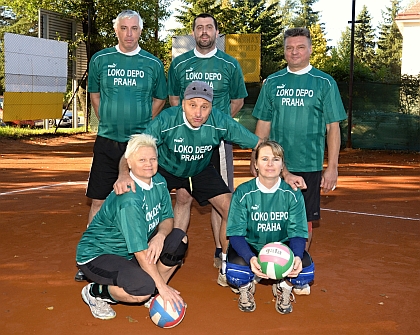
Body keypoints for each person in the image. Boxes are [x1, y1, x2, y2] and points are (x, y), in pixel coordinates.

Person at [114, 81, 262, 286]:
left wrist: (261, 157)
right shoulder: (167, 119)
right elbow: (133, 148)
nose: (198, 112)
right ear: (182, 104)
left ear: (212, 107)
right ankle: (128, 256)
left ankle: (227, 265)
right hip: (166, 167)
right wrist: (123, 174)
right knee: (139, 204)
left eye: (205, 106)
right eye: (193, 105)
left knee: (231, 207)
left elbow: (260, 144)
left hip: (199, 169)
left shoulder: (220, 120)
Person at [76, 9, 167, 281]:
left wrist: (140, 127)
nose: (129, 34)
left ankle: (138, 256)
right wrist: (109, 121)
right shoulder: (101, 59)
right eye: (124, 28)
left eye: (134, 29)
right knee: (99, 200)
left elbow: (160, 98)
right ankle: (92, 258)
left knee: (140, 203)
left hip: (138, 147)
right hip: (107, 141)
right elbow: (95, 94)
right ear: (116, 30)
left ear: (140, 30)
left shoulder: (152, 63)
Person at [252, 27, 347, 262]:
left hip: (309, 164)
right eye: (289, 48)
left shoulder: (325, 82)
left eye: (300, 47)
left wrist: (332, 166)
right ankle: (272, 264)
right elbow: (263, 125)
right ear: (284, 50)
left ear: (310, 50)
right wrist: (256, 158)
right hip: (272, 165)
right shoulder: (272, 82)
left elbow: (332, 128)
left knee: (302, 221)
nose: (294, 52)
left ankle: (297, 268)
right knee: (269, 217)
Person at [167, 13, 248, 272]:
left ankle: (222, 254)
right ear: (193, 33)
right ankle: (173, 251)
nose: (204, 32)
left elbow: (237, 101)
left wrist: (213, 128)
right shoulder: (179, 64)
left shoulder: (230, 64)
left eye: (209, 27)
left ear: (216, 33)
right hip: (186, 143)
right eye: (199, 27)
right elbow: (173, 101)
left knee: (221, 199)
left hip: (217, 144)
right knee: (182, 196)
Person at [76, 134, 187, 320]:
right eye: (142, 159)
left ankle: (152, 292)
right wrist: (163, 288)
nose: (149, 164)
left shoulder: (159, 181)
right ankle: (95, 292)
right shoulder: (129, 198)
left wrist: (160, 235)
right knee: (143, 289)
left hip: (129, 252)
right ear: (129, 162)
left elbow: (167, 217)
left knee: (178, 240)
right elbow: (140, 251)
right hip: (99, 254)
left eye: (153, 159)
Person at [225, 140, 314, 314]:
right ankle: (246, 287)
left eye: (276, 159)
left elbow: (297, 232)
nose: (270, 164)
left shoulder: (292, 194)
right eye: (264, 159)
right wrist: (250, 258)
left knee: (305, 273)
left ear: (282, 165)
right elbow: (235, 234)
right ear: (256, 164)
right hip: (252, 245)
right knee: (236, 272)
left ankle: (283, 288)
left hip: (282, 247)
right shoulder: (243, 193)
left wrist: (296, 256)